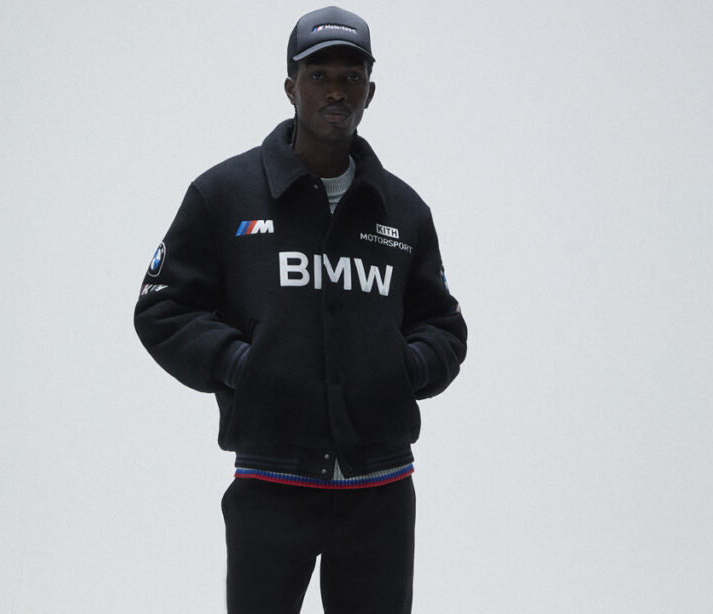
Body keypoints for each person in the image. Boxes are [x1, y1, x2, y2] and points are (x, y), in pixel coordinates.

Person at [134, 6, 467, 613]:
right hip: (271, 483)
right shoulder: (224, 195)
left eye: (351, 77)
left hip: (380, 492)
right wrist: (242, 364)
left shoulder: (403, 212)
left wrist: (404, 368)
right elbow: (163, 309)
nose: (336, 91)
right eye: (319, 76)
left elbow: (443, 326)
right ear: (291, 87)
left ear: (370, 92)